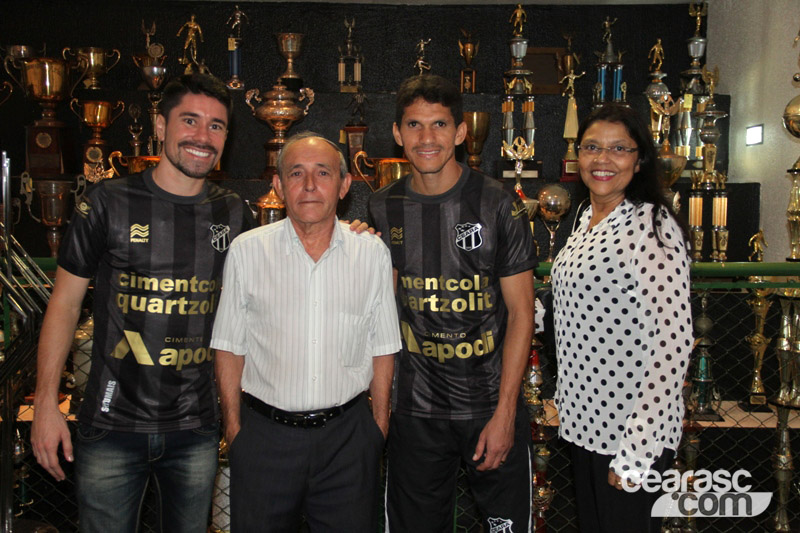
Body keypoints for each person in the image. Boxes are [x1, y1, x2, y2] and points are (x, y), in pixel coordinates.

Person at [30, 73, 253, 533]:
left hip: (195, 429)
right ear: (159, 125)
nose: (202, 137)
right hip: (110, 427)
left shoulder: (234, 212)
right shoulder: (108, 201)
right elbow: (65, 306)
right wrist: (47, 405)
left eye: (216, 126)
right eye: (189, 121)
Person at [368, 75, 537, 532]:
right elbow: (379, 312)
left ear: (461, 133)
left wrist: (505, 413)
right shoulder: (382, 207)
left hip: (488, 408)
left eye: (440, 124)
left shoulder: (500, 204)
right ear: (398, 134)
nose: (427, 138)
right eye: (415, 126)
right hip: (415, 414)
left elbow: (523, 314)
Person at [211, 131, 401, 532]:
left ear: (345, 184)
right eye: (296, 173)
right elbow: (229, 346)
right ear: (278, 186)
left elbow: (383, 346)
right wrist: (235, 431)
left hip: (349, 441)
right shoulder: (247, 251)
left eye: (323, 173)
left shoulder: (372, 254)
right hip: (264, 440)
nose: (310, 185)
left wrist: (377, 430)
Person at [550, 104, 693, 533]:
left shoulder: (651, 224)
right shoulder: (585, 218)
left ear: (639, 159)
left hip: (629, 428)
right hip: (586, 421)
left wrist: (637, 446)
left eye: (619, 149)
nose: (602, 159)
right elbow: (574, 305)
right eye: (592, 147)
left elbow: (673, 342)